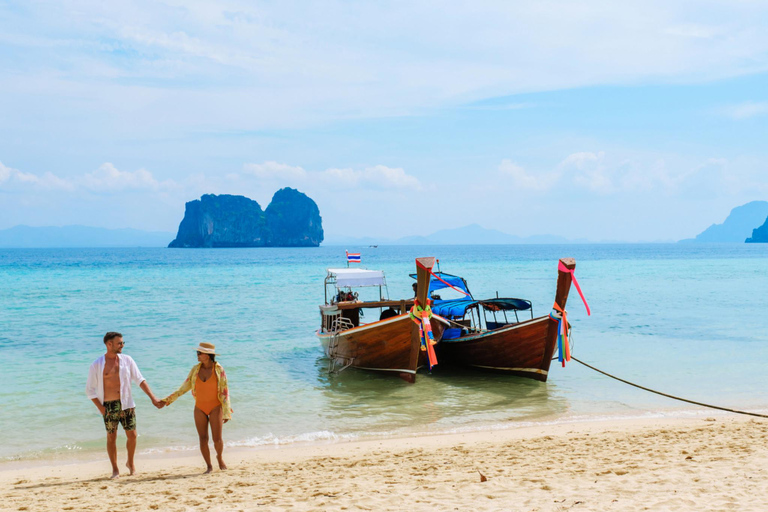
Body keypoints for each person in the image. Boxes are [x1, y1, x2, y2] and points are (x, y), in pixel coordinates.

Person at [85, 331, 163, 478]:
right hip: (108, 405)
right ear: (109, 344)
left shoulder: (127, 360)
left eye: (123, 342)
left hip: (127, 404)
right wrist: (101, 409)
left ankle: (130, 463)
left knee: (132, 435)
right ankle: (115, 469)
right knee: (111, 437)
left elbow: (140, 379)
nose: (122, 345)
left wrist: (153, 397)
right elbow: (89, 390)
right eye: (119, 343)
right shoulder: (97, 365)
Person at [160, 342, 232, 474]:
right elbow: (184, 387)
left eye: (200, 353)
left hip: (216, 406)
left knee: (217, 439)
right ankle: (209, 466)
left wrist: (227, 412)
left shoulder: (219, 370)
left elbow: (225, 391)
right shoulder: (195, 370)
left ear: (208, 355)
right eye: (197, 352)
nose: (197, 355)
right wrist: (167, 400)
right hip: (199, 407)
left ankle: (220, 457)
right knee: (203, 438)